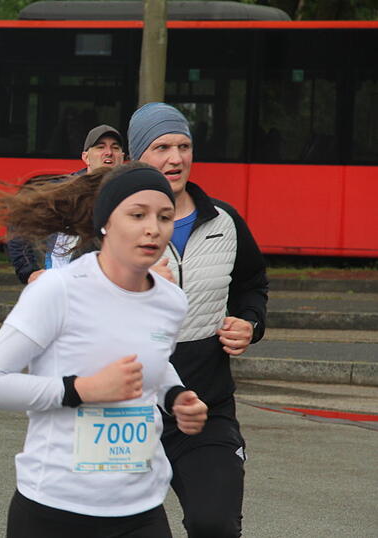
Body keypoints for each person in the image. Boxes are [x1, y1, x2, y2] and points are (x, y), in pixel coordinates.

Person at [0, 162, 208, 537]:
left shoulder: (171, 301)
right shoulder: (58, 290)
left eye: (165, 217)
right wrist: (81, 389)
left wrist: (177, 396)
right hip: (55, 508)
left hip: (141, 507)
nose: (153, 228)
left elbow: (151, 359)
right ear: (106, 222)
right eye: (137, 215)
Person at [129, 103, 268, 538]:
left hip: (205, 406)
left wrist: (249, 322)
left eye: (184, 146)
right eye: (161, 147)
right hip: (124, 414)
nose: (176, 157)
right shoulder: (110, 225)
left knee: (215, 525)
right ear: (138, 157)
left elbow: (252, 283)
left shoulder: (224, 221)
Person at [8, 124, 125, 284]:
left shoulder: (132, 195)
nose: (109, 152)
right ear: (85, 157)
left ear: (123, 157)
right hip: (63, 291)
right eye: (100, 147)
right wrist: (29, 271)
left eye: (115, 147)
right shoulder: (65, 191)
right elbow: (18, 221)